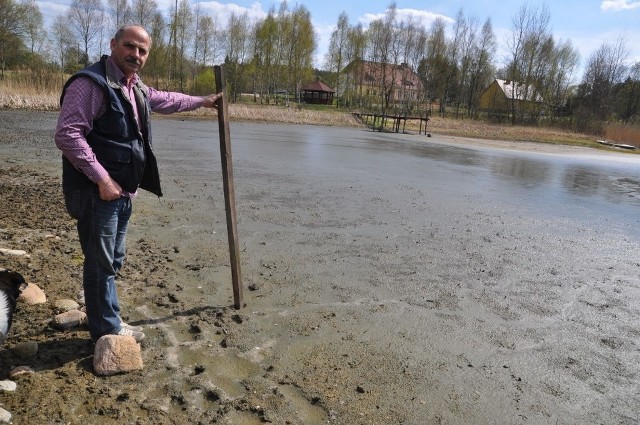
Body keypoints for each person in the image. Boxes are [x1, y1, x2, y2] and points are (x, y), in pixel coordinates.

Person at [55, 24, 223, 343]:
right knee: (102, 260)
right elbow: (67, 134)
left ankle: (102, 314)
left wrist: (203, 101)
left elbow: (166, 99)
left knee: (111, 259)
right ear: (113, 44)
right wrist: (102, 179)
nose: (136, 54)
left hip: (121, 191)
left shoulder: (134, 87)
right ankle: (106, 329)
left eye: (142, 50)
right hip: (96, 191)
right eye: (130, 47)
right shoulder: (91, 83)